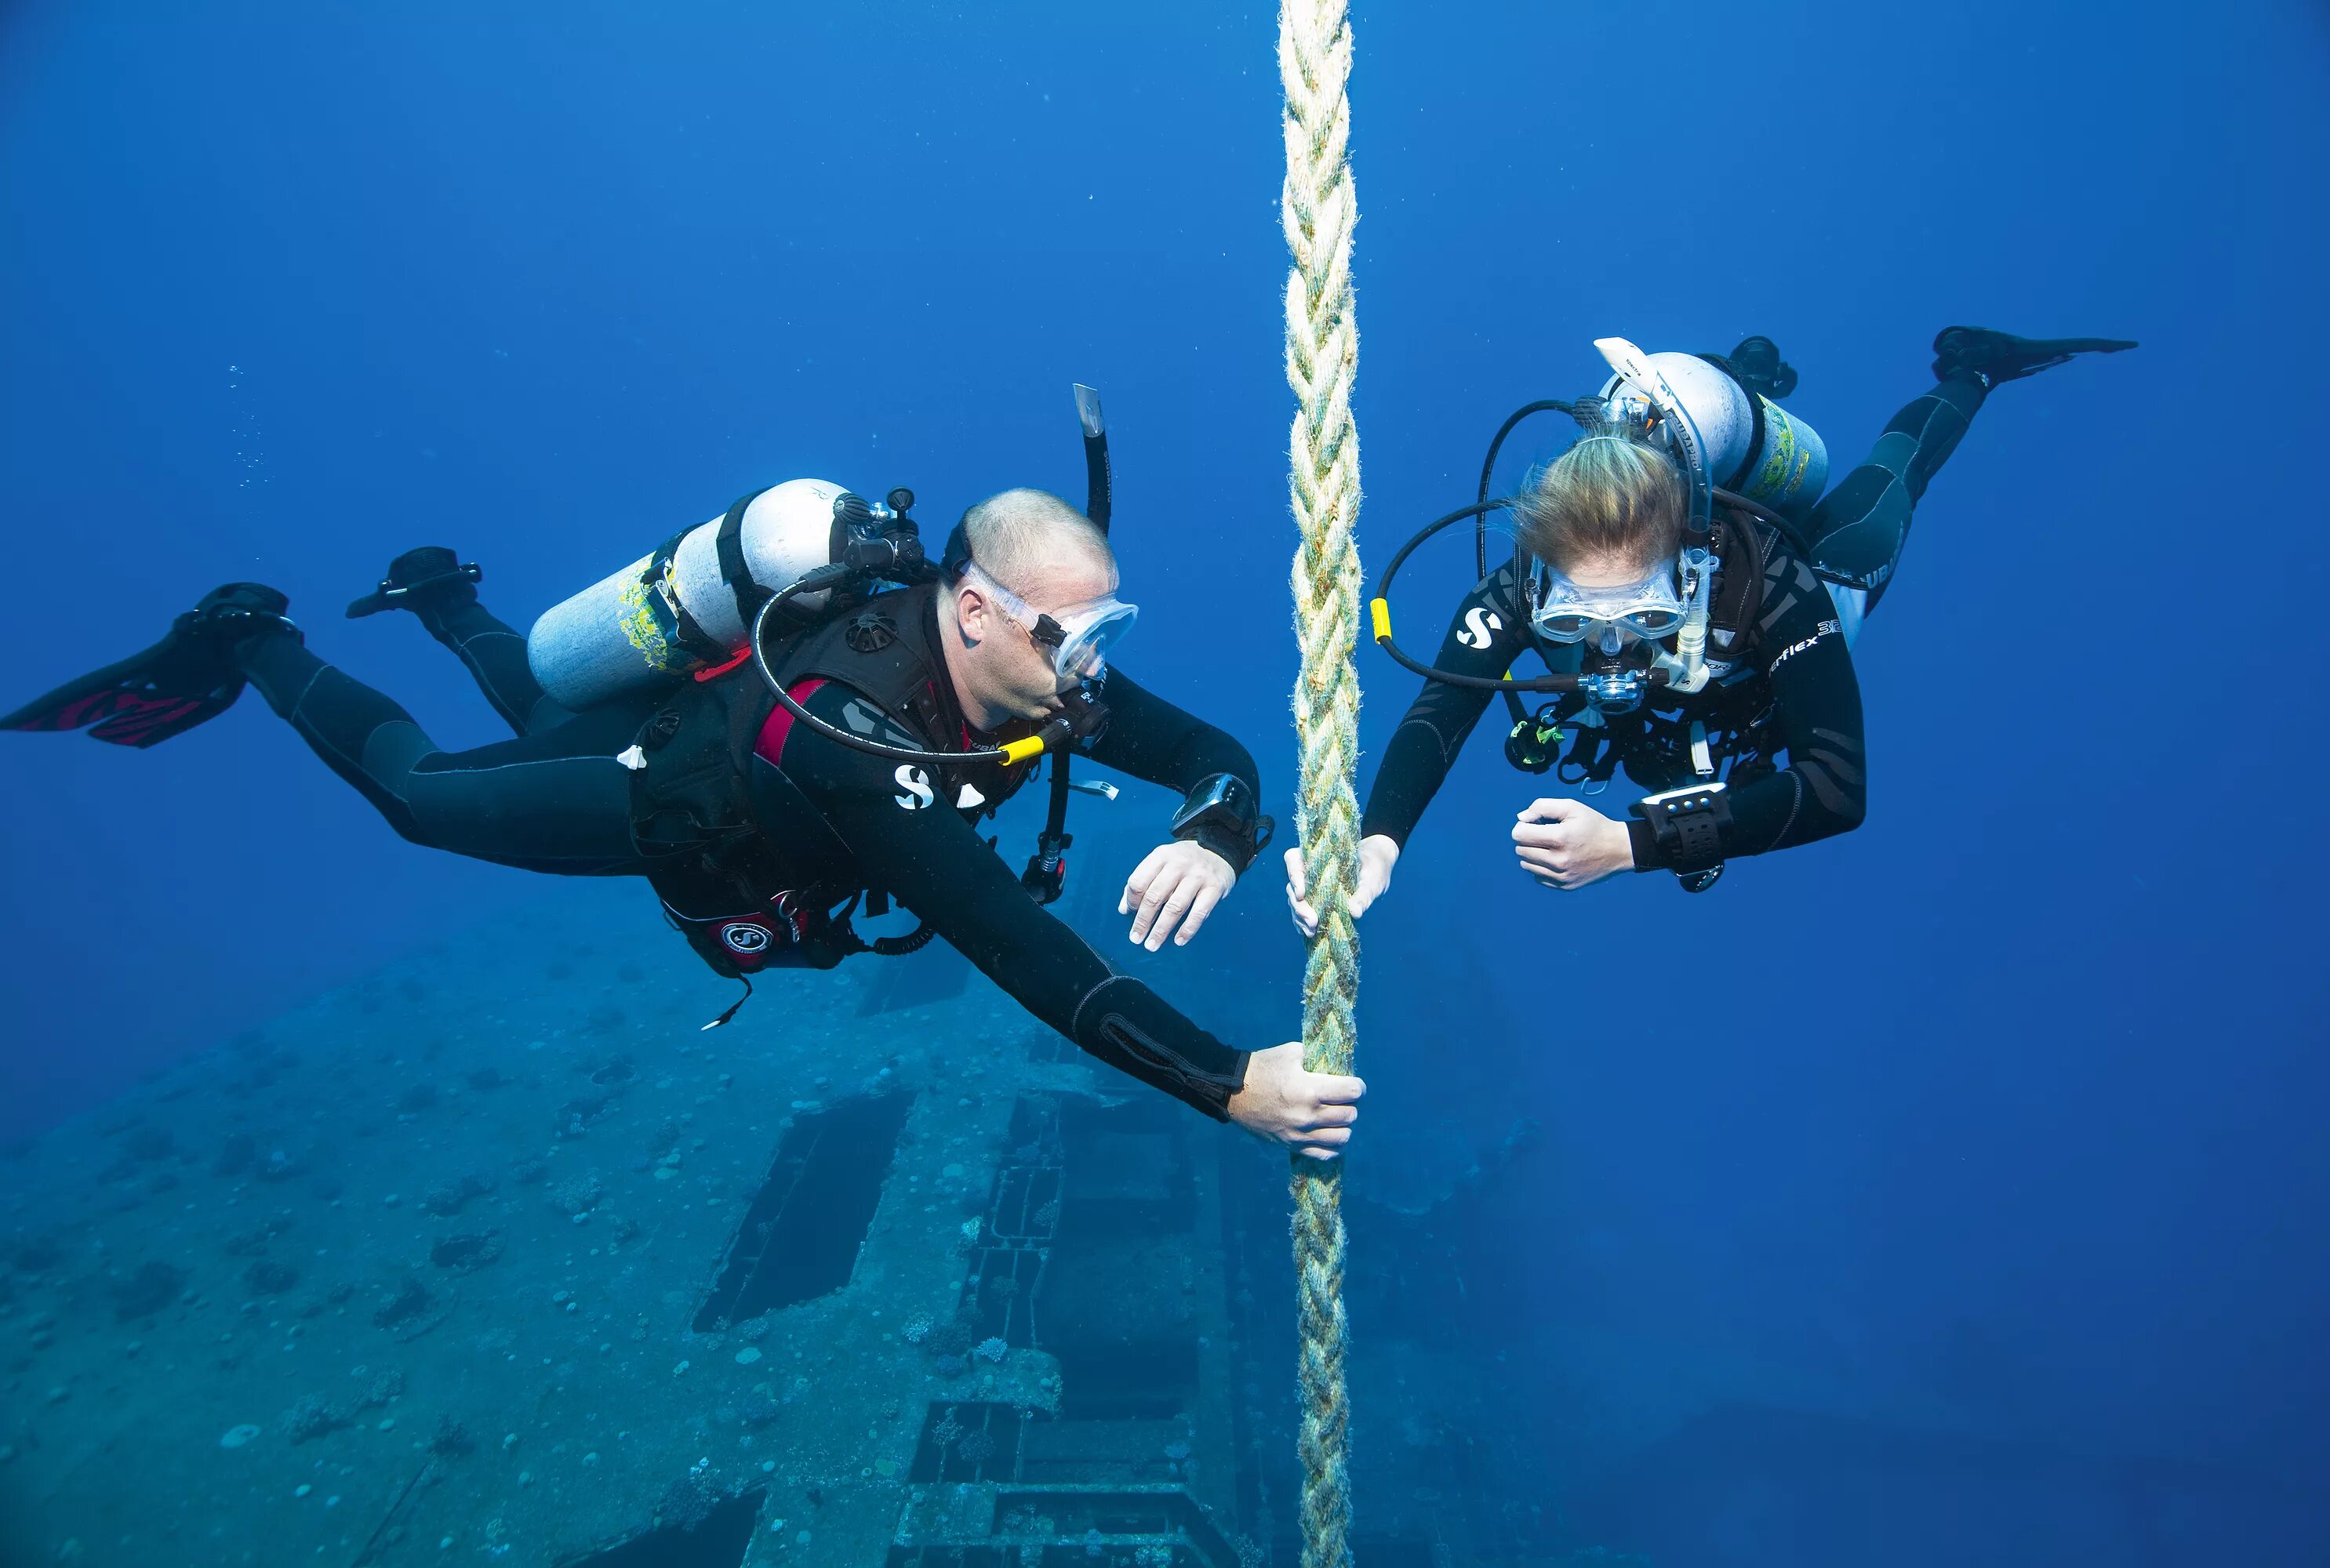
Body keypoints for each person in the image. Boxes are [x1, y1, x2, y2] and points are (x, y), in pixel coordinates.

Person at [8, 488, 1362, 1158]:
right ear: (970, 608)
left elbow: (1207, 749)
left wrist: (1213, 829)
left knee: (545, 699)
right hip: (672, 797)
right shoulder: (856, 731)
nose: (1091, 662)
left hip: (711, 744)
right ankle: (257, 642)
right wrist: (1227, 1083)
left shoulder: (1041, 673)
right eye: (1071, 630)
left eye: (1107, 628)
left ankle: (436, 597)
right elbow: (1016, 944)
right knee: (428, 799)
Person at [1287, 325, 2136, 927]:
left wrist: (1631, 843)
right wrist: (1380, 838)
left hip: (1779, 622)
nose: (1613, 646)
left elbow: (1837, 788)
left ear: (1690, 566)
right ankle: (1741, 370)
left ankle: (1973, 370)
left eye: (1647, 613)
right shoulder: (1512, 589)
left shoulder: (1768, 579)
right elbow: (1439, 713)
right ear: (1542, 579)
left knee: (1885, 490)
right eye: (1580, 616)